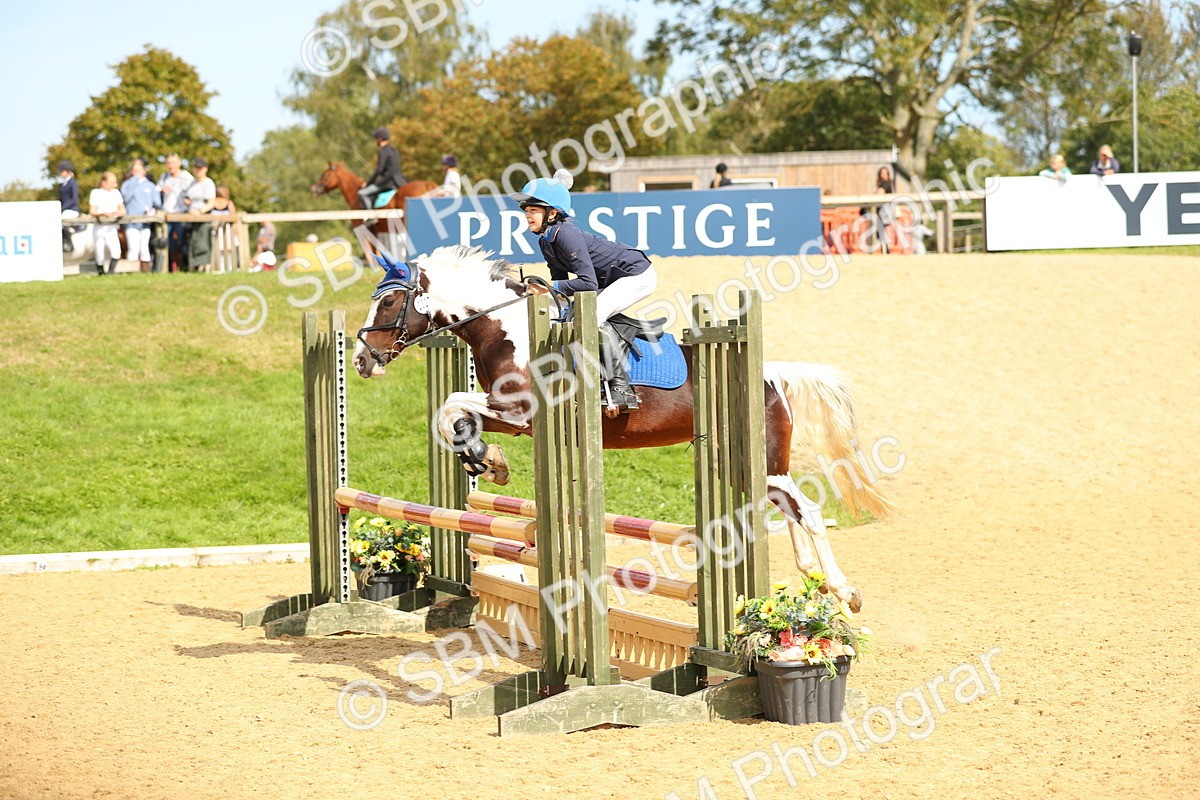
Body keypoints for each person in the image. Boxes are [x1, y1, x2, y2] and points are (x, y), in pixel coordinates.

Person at [512, 169, 658, 413]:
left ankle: (621, 390)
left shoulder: (566, 234)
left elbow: (587, 284)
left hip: (636, 274)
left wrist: (549, 289)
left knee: (589, 318)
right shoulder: (545, 241)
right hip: (609, 280)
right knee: (563, 313)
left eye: (533, 210)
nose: (528, 216)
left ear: (553, 213)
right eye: (527, 211)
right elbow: (560, 286)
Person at [120, 159, 161, 273]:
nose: (137, 171)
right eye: (134, 169)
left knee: (144, 248)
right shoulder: (127, 184)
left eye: (139, 169)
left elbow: (157, 203)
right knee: (133, 248)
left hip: (145, 223)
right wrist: (134, 183)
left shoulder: (150, 185)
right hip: (131, 222)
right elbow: (125, 199)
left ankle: (145, 271)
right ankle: (131, 271)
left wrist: (152, 211)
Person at [157, 153, 194, 272]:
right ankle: (168, 268)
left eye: (173, 163)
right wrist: (161, 190)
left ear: (179, 163)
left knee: (182, 241)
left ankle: (185, 267)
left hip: (181, 213)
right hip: (167, 214)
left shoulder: (187, 177)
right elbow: (155, 191)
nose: (170, 166)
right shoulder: (164, 177)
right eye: (168, 163)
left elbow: (193, 194)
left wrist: (189, 201)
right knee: (167, 243)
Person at [357, 127, 406, 210]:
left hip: (387, 183)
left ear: (380, 139)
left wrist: (369, 183)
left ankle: (370, 218)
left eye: (376, 139)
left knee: (362, 193)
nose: (375, 141)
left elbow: (379, 170)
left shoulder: (382, 151)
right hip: (400, 181)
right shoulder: (394, 150)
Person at [88, 171, 126, 276]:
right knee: (99, 252)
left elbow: (123, 210)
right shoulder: (95, 193)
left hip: (112, 227)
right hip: (99, 227)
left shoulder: (116, 193)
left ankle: (110, 273)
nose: (114, 185)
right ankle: (101, 273)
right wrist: (102, 214)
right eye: (112, 182)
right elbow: (92, 211)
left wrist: (117, 213)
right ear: (104, 182)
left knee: (116, 251)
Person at [183, 158, 216, 272]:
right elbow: (188, 198)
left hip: (204, 217)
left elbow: (211, 202)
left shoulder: (208, 183)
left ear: (205, 169)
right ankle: (194, 266)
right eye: (196, 168)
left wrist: (200, 211)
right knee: (193, 241)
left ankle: (205, 266)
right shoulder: (192, 183)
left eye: (200, 168)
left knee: (203, 242)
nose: (197, 170)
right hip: (192, 217)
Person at [57, 160, 81, 252]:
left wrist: (63, 208)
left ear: (68, 171)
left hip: (72, 209)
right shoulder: (62, 185)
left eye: (62, 171)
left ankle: (70, 245)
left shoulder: (72, 183)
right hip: (64, 209)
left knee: (61, 221)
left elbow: (74, 199)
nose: (60, 173)